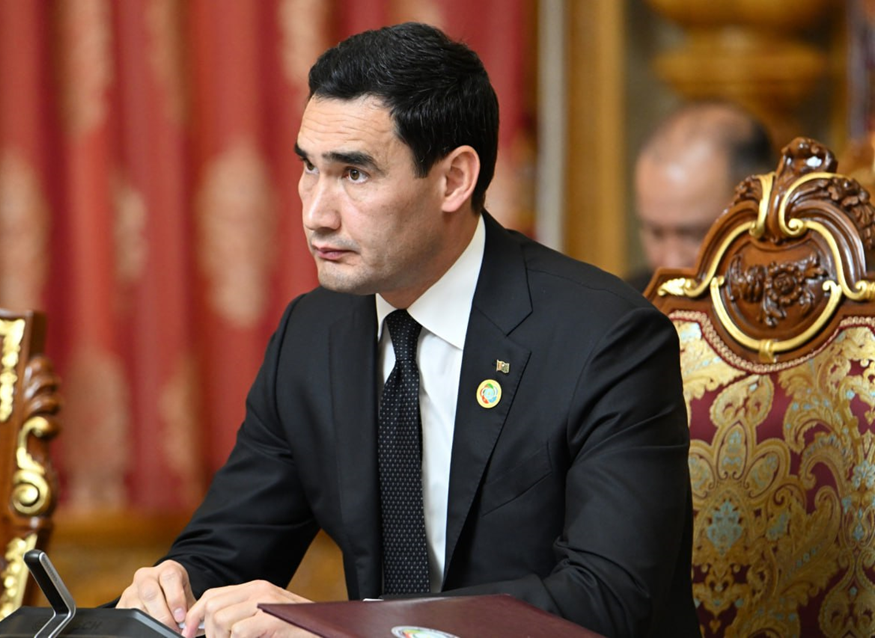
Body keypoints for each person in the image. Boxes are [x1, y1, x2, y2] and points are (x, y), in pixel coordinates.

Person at [117, 22, 699, 638]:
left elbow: (607, 598)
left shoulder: (605, 340)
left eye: (354, 174)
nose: (316, 213)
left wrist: (350, 630)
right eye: (309, 167)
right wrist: (173, 586)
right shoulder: (312, 335)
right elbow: (230, 548)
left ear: (454, 180)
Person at [629, 101, 775, 292]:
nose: (672, 262)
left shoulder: (804, 299)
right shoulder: (625, 304)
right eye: (656, 233)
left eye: (695, 235)